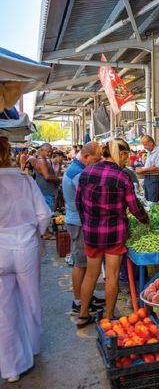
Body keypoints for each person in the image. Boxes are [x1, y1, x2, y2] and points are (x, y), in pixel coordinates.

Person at [75, 138, 149, 327]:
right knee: (112, 276)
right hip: (114, 234)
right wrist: (146, 220)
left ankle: (83, 315)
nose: (126, 161)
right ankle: (109, 317)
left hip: (92, 233)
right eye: (126, 156)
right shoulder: (122, 176)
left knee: (91, 274)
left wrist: (87, 224)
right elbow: (134, 206)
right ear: (121, 154)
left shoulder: (86, 172)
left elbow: (78, 203)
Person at [0, 136, 52, 383]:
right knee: (31, 299)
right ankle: (32, 348)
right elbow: (44, 214)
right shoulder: (23, 179)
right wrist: (37, 233)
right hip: (25, 245)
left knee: (3, 308)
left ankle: (10, 367)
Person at [62, 142, 103, 316]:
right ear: (86, 156)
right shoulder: (78, 174)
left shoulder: (76, 169)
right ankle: (79, 303)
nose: (98, 162)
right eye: (96, 158)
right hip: (78, 222)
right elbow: (90, 199)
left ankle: (86, 297)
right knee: (79, 264)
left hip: (76, 220)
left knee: (84, 263)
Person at [137, 135, 159, 202]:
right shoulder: (150, 151)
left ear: (151, 142)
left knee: (152, 202)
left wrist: (143, 169)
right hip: (149, 178)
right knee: (148, 201)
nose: (144, 147)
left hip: (155, 178)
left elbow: (158, 167)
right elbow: (150, 165)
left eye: (145, 145)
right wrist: (143, 169)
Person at [33, 143, 61, 212]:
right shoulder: (42, 160)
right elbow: (47, 177)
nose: (49, 153)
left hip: (47, 192)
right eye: (48, 151)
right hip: (47, 193)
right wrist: (60, 179)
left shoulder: (43, 159)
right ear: (42, 150)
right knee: (49, 214)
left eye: (50, 151)